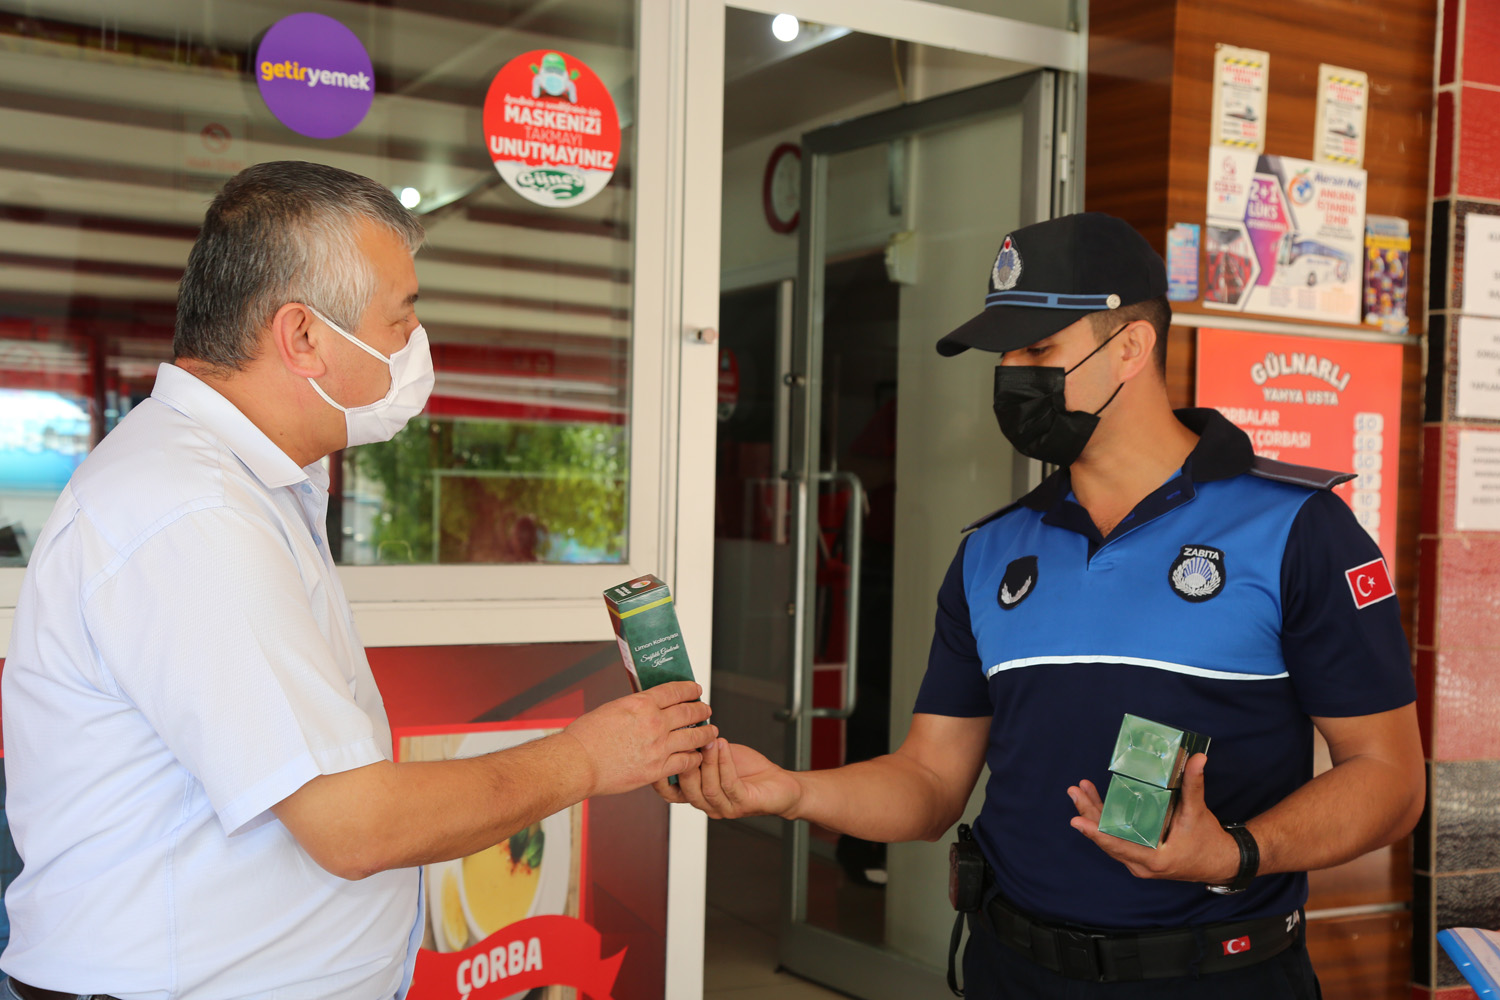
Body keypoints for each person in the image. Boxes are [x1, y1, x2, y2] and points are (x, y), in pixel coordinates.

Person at [659, 212, 1424, 999]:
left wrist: (1235, 851)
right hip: (1010, 970)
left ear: (1131, 347)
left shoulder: (1297, 529)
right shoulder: (991, 552)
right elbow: (928, 781)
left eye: (1037, 349)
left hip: (1214, 977)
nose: (1011, 374)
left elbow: (1391, 779)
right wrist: (793, 790)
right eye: (1004, 354)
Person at [0, 161, 716, 1000]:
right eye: (400, 317)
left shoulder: (242, 484)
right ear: (303, 336)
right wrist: (588, 758)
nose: (415, 344)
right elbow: (354, 825)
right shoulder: (192, 513)